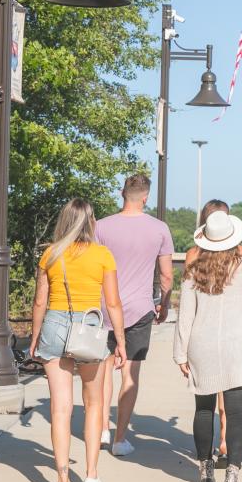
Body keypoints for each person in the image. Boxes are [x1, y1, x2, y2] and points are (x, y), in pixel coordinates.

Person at [29, 198, 127, 482]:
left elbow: (39, 302)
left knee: (60, 408)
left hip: (55, 327)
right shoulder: (102, 255)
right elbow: (112, 303)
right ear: (91, 222)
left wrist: (34, 338)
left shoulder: (51, 254)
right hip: (89, 328)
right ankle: (91, 475)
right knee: (94, 403)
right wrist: (120, 341)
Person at [174, 210, 242, 482]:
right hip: (239, 345)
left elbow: (184, 317)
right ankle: (233, 476)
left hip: (202, 346)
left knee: (204, 409)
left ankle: (204, 468)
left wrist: (180, 352)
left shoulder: (194, 271)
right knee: (237, 414)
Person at [94, 173, 175, 457]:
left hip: (104, 308)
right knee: (130, 373)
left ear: (121, 194)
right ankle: (119, 438)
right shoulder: (159, 229)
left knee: (102, 371)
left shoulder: (101, 227)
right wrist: (164, 304)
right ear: (146, 197)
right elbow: (166, 275)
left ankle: (101, 428)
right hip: (140, 308)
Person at [185, 199, 231, 461]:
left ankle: (213, 447)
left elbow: (189, 299)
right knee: (226, 396)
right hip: (229, 335)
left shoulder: (194, 254)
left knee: (205, 400)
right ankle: (225, 441)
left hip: (203, 335)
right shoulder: (240, 255)